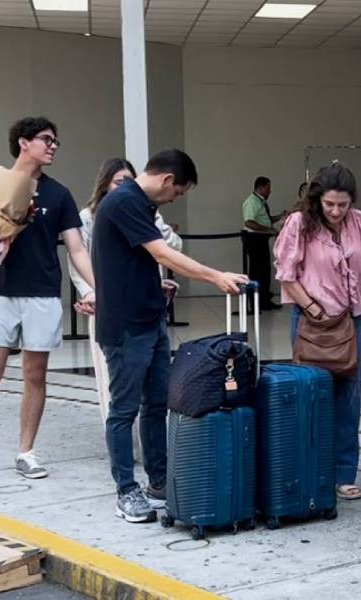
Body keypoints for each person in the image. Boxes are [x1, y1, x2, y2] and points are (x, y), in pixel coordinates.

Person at [91, 148, 247, 523]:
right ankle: (126, 490)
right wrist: (215, 276)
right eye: (178, 193)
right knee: (124, 408)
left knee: (157, 404)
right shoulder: (125, 200)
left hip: (149, 319)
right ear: (166, 180)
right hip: (126, 326)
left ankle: (159, 482)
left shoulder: (140, 205)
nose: (175, 199)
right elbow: (163, 253)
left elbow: (132, 260)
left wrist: (155, 286)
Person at [0, 117, 95, 483]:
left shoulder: (59, 194)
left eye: (55, 142)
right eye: (47, 140)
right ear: (23, 142)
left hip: (42, 291)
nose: (53, 147)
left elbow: (76, 248)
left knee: (35, 373)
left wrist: (98, 287)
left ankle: (26, 452)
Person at [274, 163, 361, 501]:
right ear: (318, 199)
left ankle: (343, 473)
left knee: (348, 398)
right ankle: (313, 471)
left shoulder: (358, 223)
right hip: (313, 321)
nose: (336, 211)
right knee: (312, 395)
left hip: (351, 320)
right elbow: (286, 274)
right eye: (329, 204)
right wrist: (314, 309)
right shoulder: (299, 224)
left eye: (343, 204)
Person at [68, 158, 182, 454]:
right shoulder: (90, 216)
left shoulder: (147, 211)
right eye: (119, 181)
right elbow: (79, 260)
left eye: (129, 181)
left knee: (154, 396)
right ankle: (122, 460)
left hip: (146, 306)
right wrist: (95, 294)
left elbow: (168, 248)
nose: (125, 187)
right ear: (105, 183)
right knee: (117, 393)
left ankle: (154, 463)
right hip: (110, 309)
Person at [242, 176, 283, 311]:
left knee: (264, 272)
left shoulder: (261, 202)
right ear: (261, 187)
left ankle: (264, 300)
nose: (270, 191)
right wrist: (269, 230)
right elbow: (249, 222)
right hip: (254, 240)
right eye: (268, 188)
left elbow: (265, 220)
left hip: (261, 239)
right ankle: (255, 303)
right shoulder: (252, 201)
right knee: (257, 272)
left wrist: (281, 216)